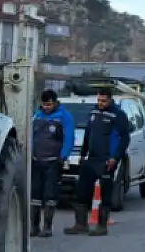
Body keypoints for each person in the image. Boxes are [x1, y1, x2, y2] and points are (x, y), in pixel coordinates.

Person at [66, 87, 132, 236]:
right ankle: (80, 224)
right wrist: (83, 154)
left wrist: (115, 157)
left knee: (105, 193)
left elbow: (124, 138)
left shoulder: (118, 115)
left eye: (103, 101)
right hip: (92, 158)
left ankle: (102, 226)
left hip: (107, 160)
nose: (100, 103)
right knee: (81, 191)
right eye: (99, 100)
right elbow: (88, 133)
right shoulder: (93, 112)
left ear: (110, 99)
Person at [29, 89, 75, 237]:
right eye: (44, 104)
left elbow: (69, 138)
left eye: (49, 104)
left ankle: (47, 227)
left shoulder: (64, 117)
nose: (46, 107)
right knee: (34, 195)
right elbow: (30, 134)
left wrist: (63, 156)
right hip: (36, 161)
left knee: (49, 195)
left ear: (55, 102)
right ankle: (34, 227)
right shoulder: (36, 115)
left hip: (53, 162)